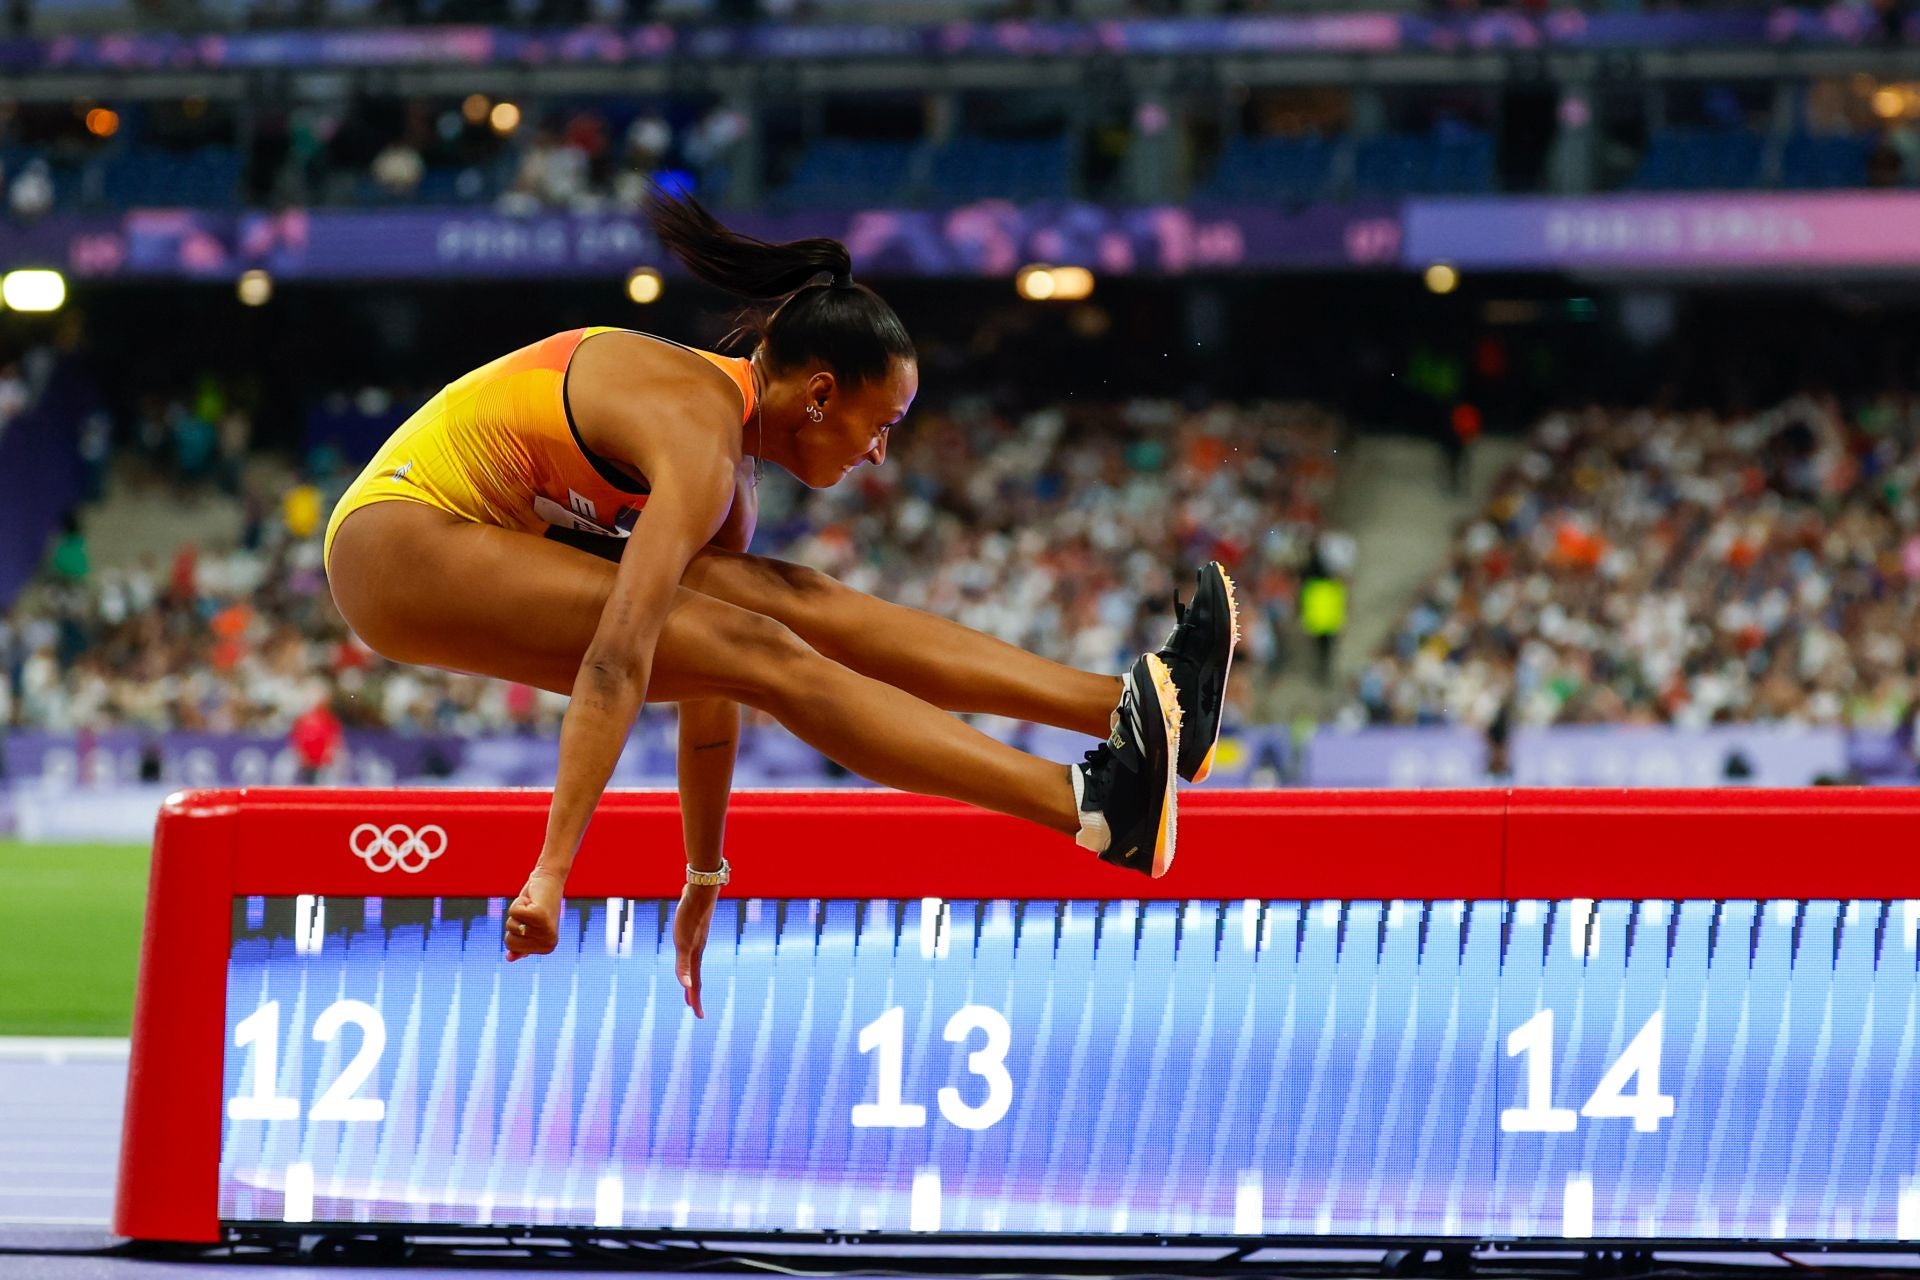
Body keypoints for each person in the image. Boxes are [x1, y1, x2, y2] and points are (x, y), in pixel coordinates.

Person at [323, 190, 1239, 1015]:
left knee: (792, 600)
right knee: (770, 644)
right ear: (820, 394)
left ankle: (1124, 705)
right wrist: (551, 872)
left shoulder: (729, 473)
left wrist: (703, 867)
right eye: (880, 426)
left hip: (487, 534)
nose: (880, 454)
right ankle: (1086, 805)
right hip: (396, 546)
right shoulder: (695, 439)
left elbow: (709, 696)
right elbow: (619, 660)